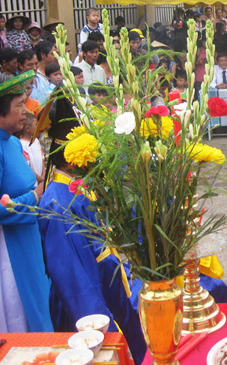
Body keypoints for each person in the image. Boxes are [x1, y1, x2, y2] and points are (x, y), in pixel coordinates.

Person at [38, 95, 146, 362]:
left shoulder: (78, 186)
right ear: (72, 159)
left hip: (112, 285)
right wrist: (98, 325)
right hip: (93, 301)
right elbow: (73, 280)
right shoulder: (57, 205)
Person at [0, 71, 52, 332]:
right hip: (5, 248)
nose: (24, 110)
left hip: (24, 236)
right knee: (19, 317)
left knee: (38, 304)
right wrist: (34, 197)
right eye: (18, 105)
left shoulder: (13, 143)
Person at [18, 113, 45, 184]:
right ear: (27, 128)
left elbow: (42, 158)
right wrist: (38, 178)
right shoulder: (22, 144)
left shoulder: (36, 141)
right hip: (33, 183)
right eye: (36, 124)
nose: (38, 126)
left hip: (41, 180)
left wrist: (43, 175)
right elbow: (27, 166)